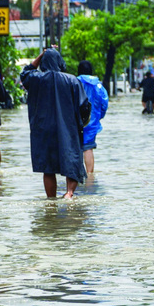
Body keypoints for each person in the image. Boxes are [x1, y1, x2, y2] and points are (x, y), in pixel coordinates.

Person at [21, 48, 91, 199]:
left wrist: (41, 54)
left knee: (48, 167)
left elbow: (24, 73)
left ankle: (51, 200)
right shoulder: (72, 80)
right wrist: (81, 122)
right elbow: (84, 105)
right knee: (72, 160)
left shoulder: (35, 79)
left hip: (43, 130)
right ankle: (69, 193)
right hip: (68, 128)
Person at [77, 60, 109, 174]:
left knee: (73, 147)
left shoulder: (74, 82)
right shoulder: (98, 85)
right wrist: (99, 117)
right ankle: (90, 177)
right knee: (88, 148)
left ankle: (73, 176)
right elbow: (104, 103)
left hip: (74, 120)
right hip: (92, 121)